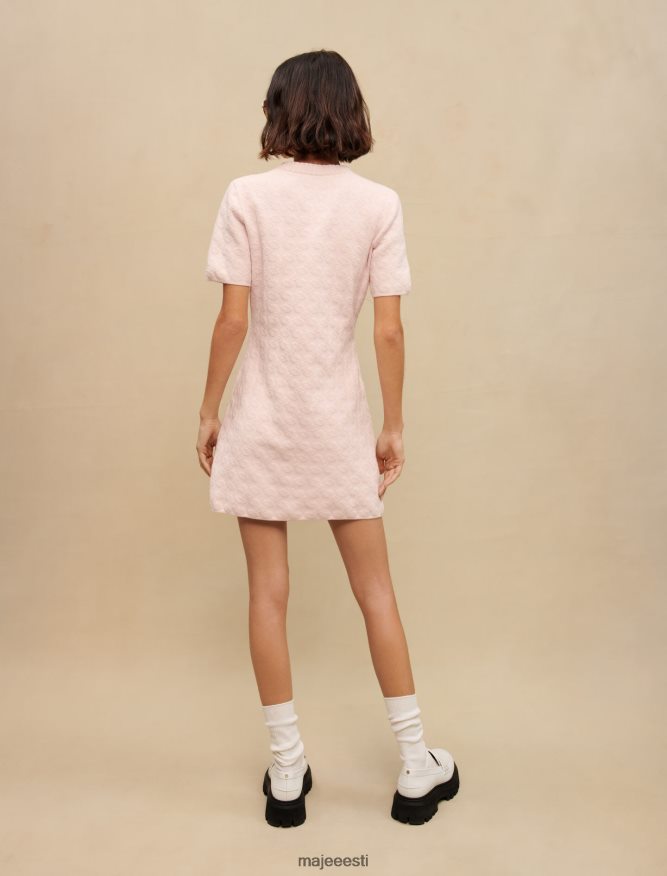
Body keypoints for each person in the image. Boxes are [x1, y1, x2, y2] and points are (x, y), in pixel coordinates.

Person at [196, 49, 459, 827]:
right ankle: (415, 764)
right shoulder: (378, 204)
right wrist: (393, 424)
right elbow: (388, 330)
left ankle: (286, 773)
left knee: (266, 596)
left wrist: (208, 411)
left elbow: (232, 321)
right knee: (375, 593)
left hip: (262, 418)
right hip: (338, 423)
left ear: (278, 110)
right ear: (351, 113)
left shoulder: (246, 196)